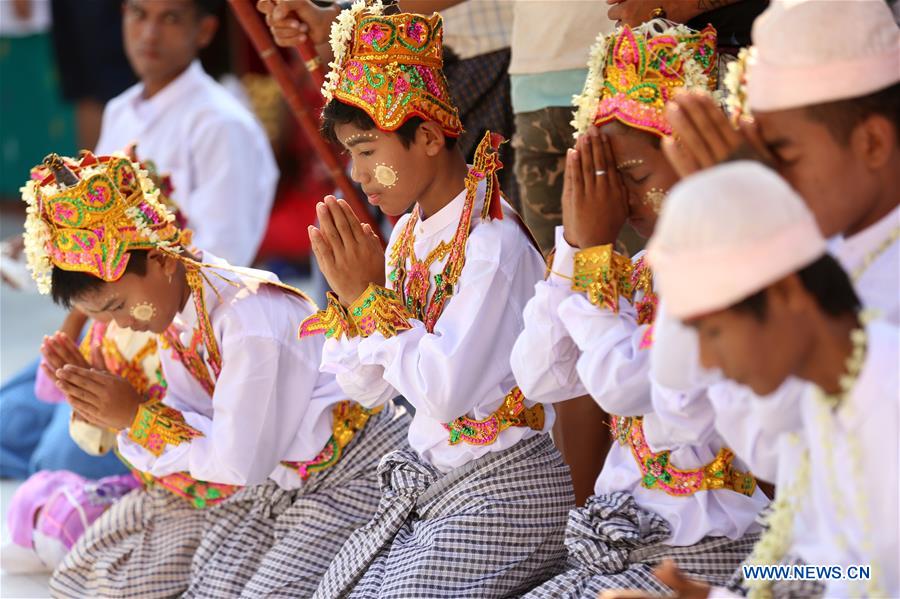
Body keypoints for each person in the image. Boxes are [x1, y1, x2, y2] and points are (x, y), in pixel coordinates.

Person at [19, 151, 408, 598]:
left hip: (350, 473)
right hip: (273, 483)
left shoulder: (246, 321)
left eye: (118, 307)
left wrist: (136, 417)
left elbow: (238, 462)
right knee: (83, 580)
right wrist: (110, 406)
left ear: (163, 261)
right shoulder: (177, 312)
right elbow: (200, 431)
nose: (121, 324)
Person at [295, 5, 574, 597]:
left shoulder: (490, 244)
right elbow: (367, 388)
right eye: (350, 154)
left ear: (425, 136)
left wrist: (370, 301)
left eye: (368, 151)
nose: (359, 173)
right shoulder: (405, 237)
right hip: (436, 477)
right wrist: (355, 302)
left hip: (503, 483)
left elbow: (445, 392)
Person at [511, 21, 767, 598]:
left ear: (695, 160)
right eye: (604, 180)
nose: (620, 199)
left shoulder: (722, 264)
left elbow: (626, 384)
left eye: (636, 177)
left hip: (713, 550)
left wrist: (593, 265)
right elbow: (538, 375)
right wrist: (575, 254)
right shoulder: (646, 266)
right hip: (634, 542)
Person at [0, 0, 279, 482]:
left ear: (205, 30)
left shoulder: (222, 124)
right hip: (106, 318)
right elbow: (96, 248)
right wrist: (74, 322)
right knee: (10, 421)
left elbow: (214, 265)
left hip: (171, 333)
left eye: (170, 18)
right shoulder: (121, 109)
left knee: (56, 462)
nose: (149, 32)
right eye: (138, 14)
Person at [633, 160, 899, 599]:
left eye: (713, 332)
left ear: (787, 293)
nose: (707, 361)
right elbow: (841, 576)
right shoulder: (819, 400)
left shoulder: (887, 397)